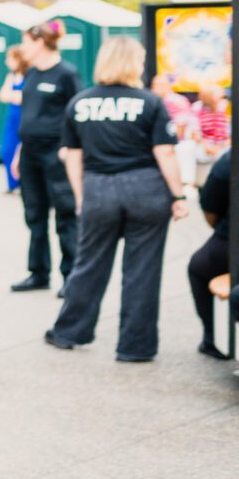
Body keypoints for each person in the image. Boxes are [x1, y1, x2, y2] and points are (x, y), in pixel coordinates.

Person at [44, 37, 186, 362]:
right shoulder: (150, 102)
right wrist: (177, 195)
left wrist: (81, 197)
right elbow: (164, 152)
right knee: (142, 270)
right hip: (146, 189)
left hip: (98, 188)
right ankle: (135, 347)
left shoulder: (79, 103)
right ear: (132, 62)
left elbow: (73, 156)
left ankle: (69, 331)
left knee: (89, 265)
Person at [11, 20, 82, 294]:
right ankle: (38, 272)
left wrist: (70, 149)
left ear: (40, 42)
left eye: (26, 42)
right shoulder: (31, 74)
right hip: (30, 153)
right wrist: (19, 152)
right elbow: (29, 116)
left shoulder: (66, 74)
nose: (23, 48)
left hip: (56, 153)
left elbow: (76, 115)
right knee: (34, 214)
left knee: (65, 214)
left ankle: (71, 276)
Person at [188, 149, 231, 359]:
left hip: (230, 242)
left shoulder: (231, 159)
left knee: (198, 267)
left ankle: (213, 337)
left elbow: (210, 207)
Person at [153, 73, 201, 192]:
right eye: (155, 85)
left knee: (184, 149)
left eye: (161, 85)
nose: (157, 88)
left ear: (168, 86)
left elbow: (180, 129)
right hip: (156, 139)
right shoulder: (150, 100)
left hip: (179, 139)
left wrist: (169, 144)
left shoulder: (177, 101)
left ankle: (186, 183)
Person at [0, 46, 26, 194]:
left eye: (9, 58)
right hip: (12, 118)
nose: (7, 62)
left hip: (24, 117)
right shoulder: (11, 76)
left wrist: (14, 95)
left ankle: (23, 183)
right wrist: (16, 95)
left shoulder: (29, 75)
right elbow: (2, 95)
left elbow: (26, 98)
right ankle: (12, 184)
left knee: (22, 151)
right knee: (8, 149)